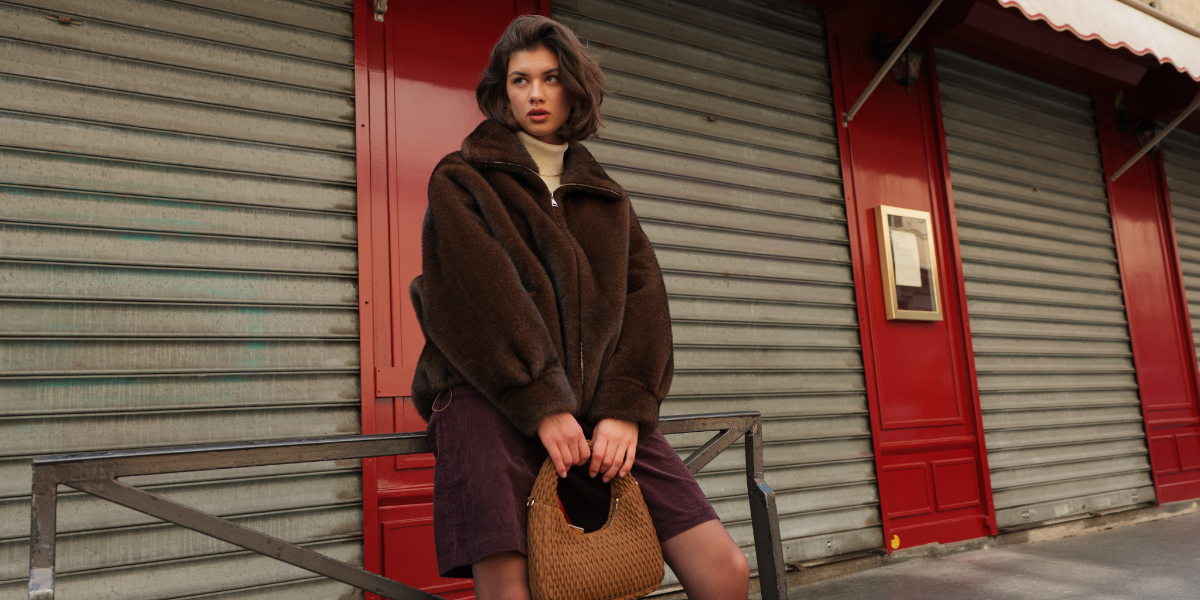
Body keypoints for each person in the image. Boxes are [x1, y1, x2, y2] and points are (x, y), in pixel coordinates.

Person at [408, 14, 750, 600]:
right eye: (520, 80)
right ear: (501, 91)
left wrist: (624, 407)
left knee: (724, 571)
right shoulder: (462, 179)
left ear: (575, 88)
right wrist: (540, 400)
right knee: (511, 589)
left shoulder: (606, 197)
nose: (536, 94)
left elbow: (646, 304)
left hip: (597, 405)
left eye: (550, 77)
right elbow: (479, 297)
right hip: (487, 395)